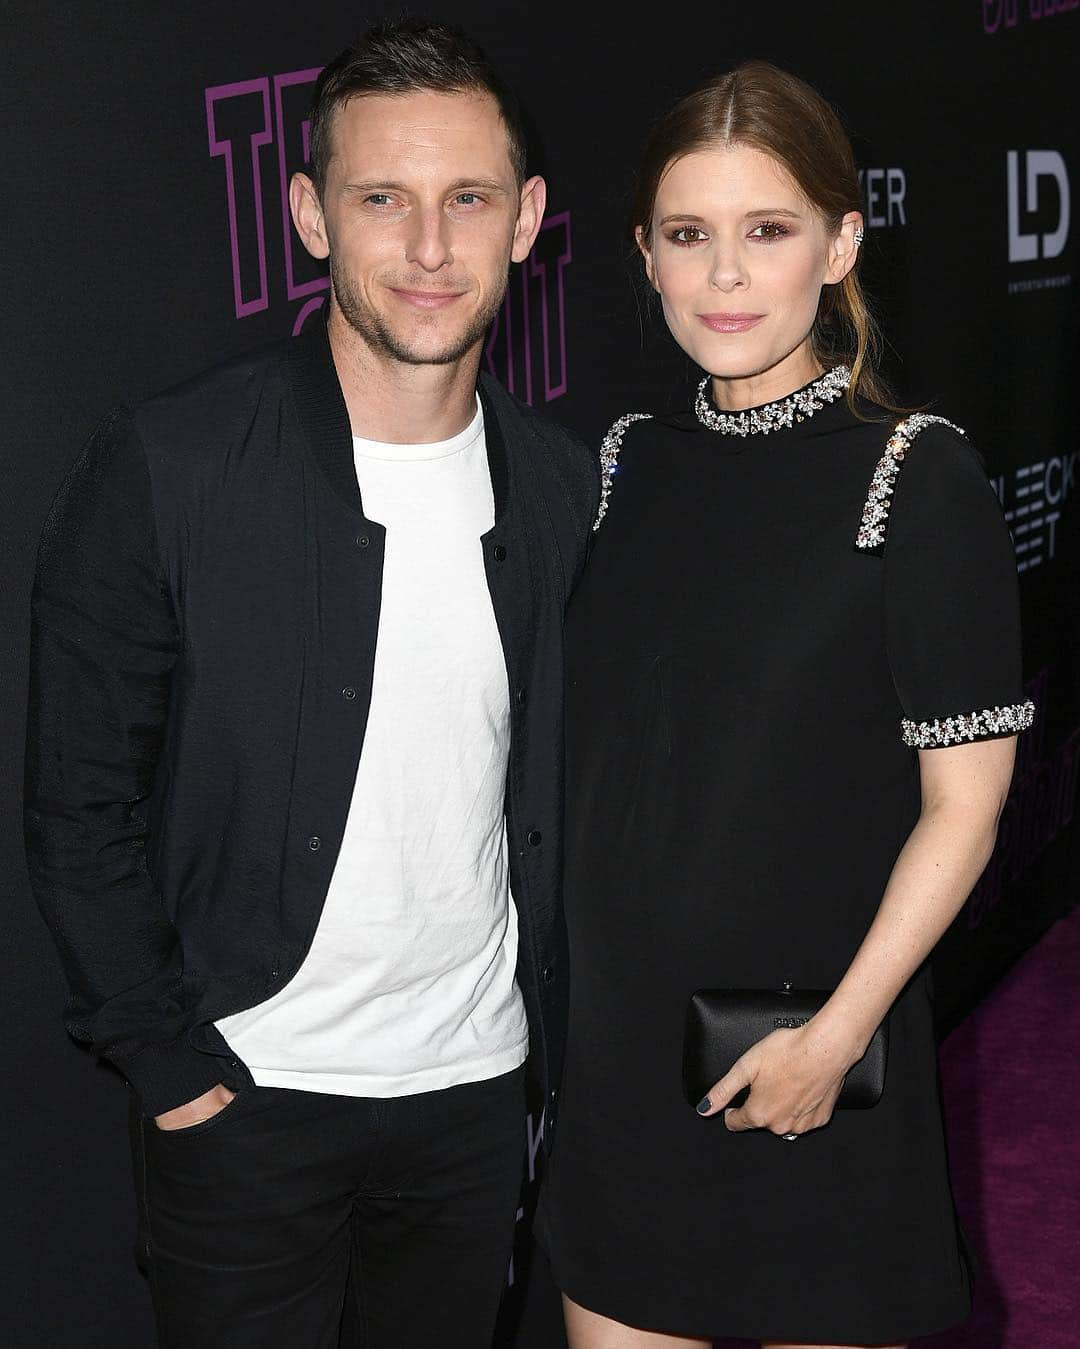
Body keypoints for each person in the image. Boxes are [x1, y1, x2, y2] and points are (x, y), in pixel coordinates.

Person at [23, 18, 596, 1349]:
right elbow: (78, 803)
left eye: (468, 201)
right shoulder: (173, 466)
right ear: (306, 215)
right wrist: (173, 1072)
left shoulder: (564, 486)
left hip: (474, 1094)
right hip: (250, 1100)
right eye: (381, 200)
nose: (430, 248)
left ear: (528, 221)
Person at [535, 60, 1033, 1349]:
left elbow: (964, 809)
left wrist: (839, 1034)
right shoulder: (621, 464)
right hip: (620, 1078)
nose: (727, 278)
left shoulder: (915, 477)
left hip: (810, 1058)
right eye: (690, 237)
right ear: (644, 255)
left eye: (768, 232)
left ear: (841, 242)